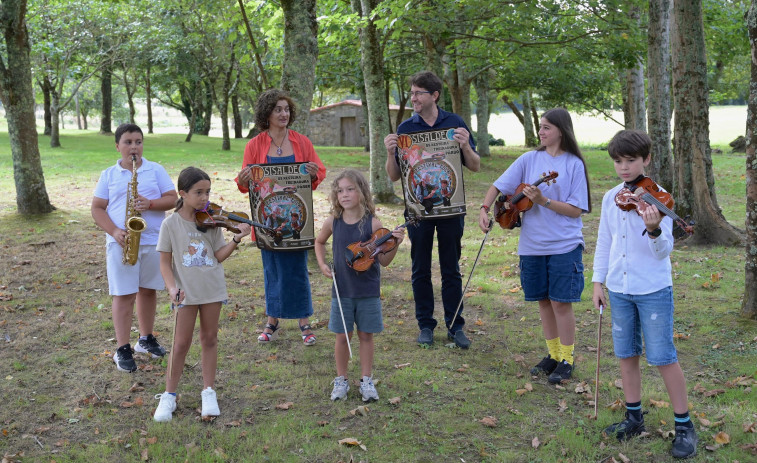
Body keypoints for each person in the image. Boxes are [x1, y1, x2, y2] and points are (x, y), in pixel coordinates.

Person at [592, 130, 697, 458]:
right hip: (620, 290)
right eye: (618, 161)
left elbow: (664, 250)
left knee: (663, 356)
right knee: (625, 354)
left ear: (646, 159)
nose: (624, 167)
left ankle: (684, 425)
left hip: (652, 289)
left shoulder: (658, 198)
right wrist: (598, 282)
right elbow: (605, 242)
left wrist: (653, 228)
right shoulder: (612, 197)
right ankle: (633, 417)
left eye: (631, 161)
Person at [478, 108, 591, 383]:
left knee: (561, 303)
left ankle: (567, 358)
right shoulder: (529, 159)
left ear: (561, 131)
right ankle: (552, 355)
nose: (540, 132)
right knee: (543, 301)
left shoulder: (574, 164)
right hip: (532, 245)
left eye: (546, 128)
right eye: (540, 127)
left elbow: (576, 210)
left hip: (564, 244)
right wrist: (483, 207)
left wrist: (543, 201)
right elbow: (498, 186)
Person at [384, 70, 480, 349]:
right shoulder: (405, 129)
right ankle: (425, 325)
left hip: (450, 210)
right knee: (420, 269)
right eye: (411, 92)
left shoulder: (455, 123)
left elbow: (474, 165)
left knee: (451, 269)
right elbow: (393, 177)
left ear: (434, 95)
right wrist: (391, 153)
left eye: (418, 93)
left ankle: (455, 326)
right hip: (418, 211)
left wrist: (465, 145)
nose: (413, 98)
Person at [152, 167, 251, 422]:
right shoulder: (170, 224)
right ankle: (169, 395)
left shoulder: (211, 221)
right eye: (199, 192)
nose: (205, 197)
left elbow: (218, 256)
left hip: (212, 289)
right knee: (181, 344)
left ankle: (208, 391)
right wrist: (172, 288)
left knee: (209, 339)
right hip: (185, 292)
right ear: (182, 193)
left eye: (207, 192)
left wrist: (236, 240)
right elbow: (165, 263)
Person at [235, 88, 326, 345]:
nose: (283, 113)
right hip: (267, 218)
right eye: (278, 109)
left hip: (296, 216)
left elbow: (318, 174)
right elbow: (246, 184)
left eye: (286, 109)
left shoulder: (302, 142)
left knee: (297, 269)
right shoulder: (255, 145)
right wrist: (243, 179)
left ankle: (304, 322)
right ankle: (272, 321)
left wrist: (312, 172)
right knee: (272, 270)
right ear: (267, 113)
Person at [92, 123, 178, 373]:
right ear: (117, 145)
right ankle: (122, 348)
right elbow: (97, 208)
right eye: (128, 142)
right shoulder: (109, 174)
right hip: (121, 241)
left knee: (148, 291)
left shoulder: (155, 170)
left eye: (138, 142)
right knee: (123, 294)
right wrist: (114, 231)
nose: (134, 147)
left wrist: (150, 204)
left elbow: (172, 199)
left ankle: (145, 339)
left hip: (152, 240)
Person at [314, 169, 404, 402]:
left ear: (362, 192)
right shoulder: (333, 222)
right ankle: (341, 380)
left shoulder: (373, 223)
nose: (345, 194)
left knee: (366, 335)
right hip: (342, 289)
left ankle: (366, 380)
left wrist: (395, 244)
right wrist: (323, 264)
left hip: (367, 290)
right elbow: (319, 242)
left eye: (350, 189)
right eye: (340, 190)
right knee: (342, 337)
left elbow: (383, 260)